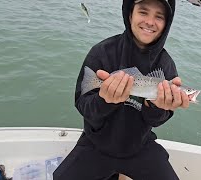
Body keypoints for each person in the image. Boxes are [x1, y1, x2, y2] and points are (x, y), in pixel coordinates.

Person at [53, 0, 189, 179]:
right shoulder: (101, 52)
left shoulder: (166, 65)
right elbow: (82, 105)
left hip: (139, 146)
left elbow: (157, 121)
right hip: (97, 142)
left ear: (167, 23)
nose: (149, 21)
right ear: (130, 13)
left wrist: (156, 106)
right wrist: (104, 100)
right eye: (143, 12)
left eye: (159, 16)